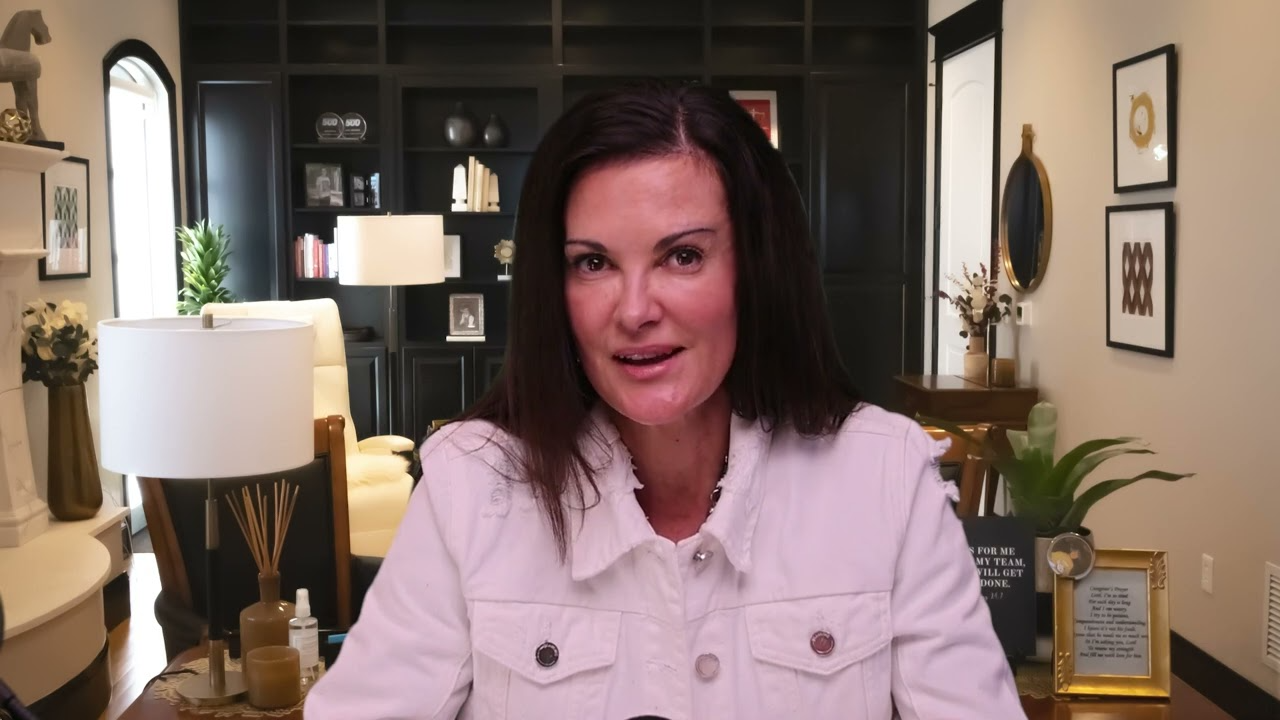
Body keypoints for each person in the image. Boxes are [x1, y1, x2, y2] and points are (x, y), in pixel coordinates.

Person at [305, 81, 1023, 719]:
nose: (635, 309)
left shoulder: (885, 479)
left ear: (756, 267)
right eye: (593, 263)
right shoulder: (472, 485)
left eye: (683, 256)